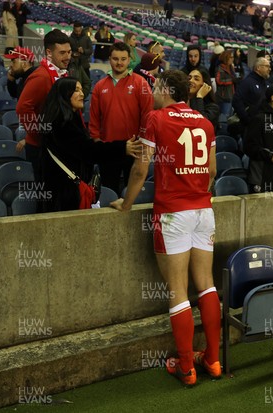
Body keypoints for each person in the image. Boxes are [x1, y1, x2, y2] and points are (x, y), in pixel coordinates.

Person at [111, 70, 220, 387]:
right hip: (203, 209)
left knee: (177, 291)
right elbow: (212, 170)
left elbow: (140, 168)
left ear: (166, 90)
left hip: (173, 213)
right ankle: (212, 359)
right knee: (207, 286)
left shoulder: (156, 119)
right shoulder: (205, 122)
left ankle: (186, 367)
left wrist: (127, 203)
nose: (152, 91)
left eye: (155, 87)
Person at [40, 78, 141, 211]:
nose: (82, 94)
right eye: (76, 90)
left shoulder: (67, 118)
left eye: (82, 89)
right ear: (65, 94)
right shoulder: (62, 123)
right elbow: (89, 151)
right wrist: (122, 148)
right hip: (64, 194)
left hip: (66, 191)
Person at [89, 42, 154, 194]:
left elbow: (148, 115)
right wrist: (97, 141)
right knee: (109, 191)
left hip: (135, 148)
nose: (119, 62)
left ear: (129, 59)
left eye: (123, 59)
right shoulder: (99, 86)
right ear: (109, 59)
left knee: (133, 192)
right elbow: (94, 118)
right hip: (109, 148)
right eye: (115, 59)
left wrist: (143, 142)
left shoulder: (140, 83)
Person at [17, 30, 72, 182]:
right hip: (42, 148)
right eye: (62, 53)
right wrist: (40, 134)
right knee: (47, 195)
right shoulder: (41, 76)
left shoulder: (63, 73)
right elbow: (22, 108)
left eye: (69, 52)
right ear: (49, 52)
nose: (67, 57)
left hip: (58, 145)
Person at [231, 57, 272, 131]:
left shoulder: (265, 83)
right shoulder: (248, 82)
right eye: (267, 66)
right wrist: (247, 120)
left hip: (260, 124)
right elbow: (236, 101)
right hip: (248, 127)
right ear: (258, 67)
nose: (269, 69)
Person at [215, 50, 235, 116]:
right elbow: (219, 81)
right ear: (226, 58)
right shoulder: (220, 68)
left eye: (233, 57)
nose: (232, 59)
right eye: (231, 57)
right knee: (224, 116)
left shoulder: (231, 67)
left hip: (230, 95)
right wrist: (231, 81)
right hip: (223, 97)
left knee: (229, 115)